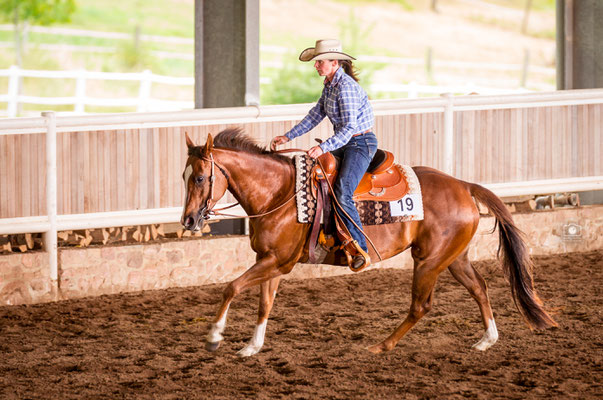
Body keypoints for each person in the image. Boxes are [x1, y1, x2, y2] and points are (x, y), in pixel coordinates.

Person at [270, 39, 377, 270]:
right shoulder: (330, 85)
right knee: (312, 172)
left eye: (320, 62)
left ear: (334, 63)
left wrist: (324, 146)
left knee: (343, 191)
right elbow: (314, 116)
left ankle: (360, 248)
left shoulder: (346, 88)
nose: (316, 66)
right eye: (316, 62)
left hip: (360, 143)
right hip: (346, 142)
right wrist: (288, 137)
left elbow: (349, 127)